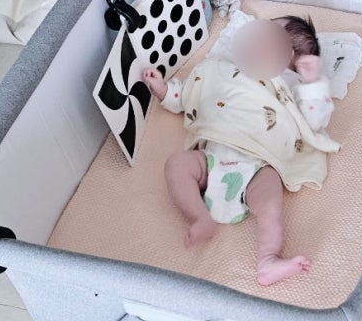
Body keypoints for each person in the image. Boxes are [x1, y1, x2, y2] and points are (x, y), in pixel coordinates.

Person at [143, 15, 340, 286]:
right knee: (177, 164)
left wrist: (312, 82)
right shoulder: (226, 69)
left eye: (269, 33)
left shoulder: (291, 85)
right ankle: (200, 217)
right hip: (213, 157)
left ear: (289, 54)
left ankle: (268, 259)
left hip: (259, 163)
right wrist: (164, 91)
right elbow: (193, 94)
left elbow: (315, 121)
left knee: (270, 200)